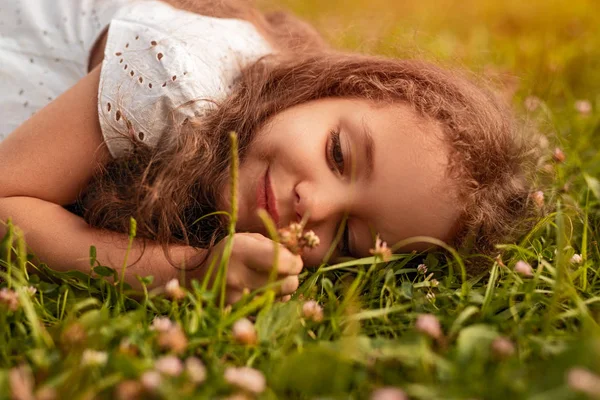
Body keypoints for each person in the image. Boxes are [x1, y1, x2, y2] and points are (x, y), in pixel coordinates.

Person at [0, 0, 536, 304]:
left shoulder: (257, 143)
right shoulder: (173, 80)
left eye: (348, 237)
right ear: (327, 89)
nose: (314, 207)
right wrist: (186, 273)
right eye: (338, 155)